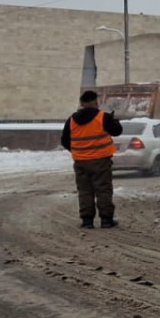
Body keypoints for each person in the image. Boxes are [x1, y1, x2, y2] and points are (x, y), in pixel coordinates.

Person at [61, 90, 123, 229]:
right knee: (103, 190)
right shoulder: (103, 117)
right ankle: (106, 220)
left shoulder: (71, 120)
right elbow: (117, 131)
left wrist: (79, 151)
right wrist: (114, 121)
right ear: (96, 101)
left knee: (84, 191)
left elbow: (65, 140)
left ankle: (87, 221)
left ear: (82, 103)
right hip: (101, 161)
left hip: (80, 162)